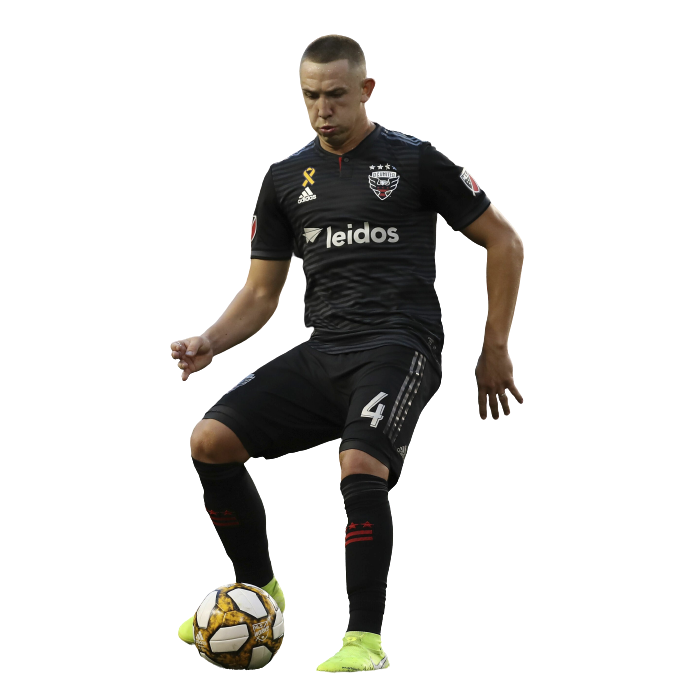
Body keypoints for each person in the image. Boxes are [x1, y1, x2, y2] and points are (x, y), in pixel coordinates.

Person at [171, 34, 524, 673]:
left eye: (335, 95)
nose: (322, 110)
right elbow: (261, 292)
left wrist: (494, 345)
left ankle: (364, 640)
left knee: (359, 463)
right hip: (324, 349)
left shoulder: (416, 160)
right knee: (209, 441)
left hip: (401, 344)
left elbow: (505, 241)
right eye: (310, 97)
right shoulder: (284, 177)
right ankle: (260, 594)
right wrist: (210, 342)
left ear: (366, 90)